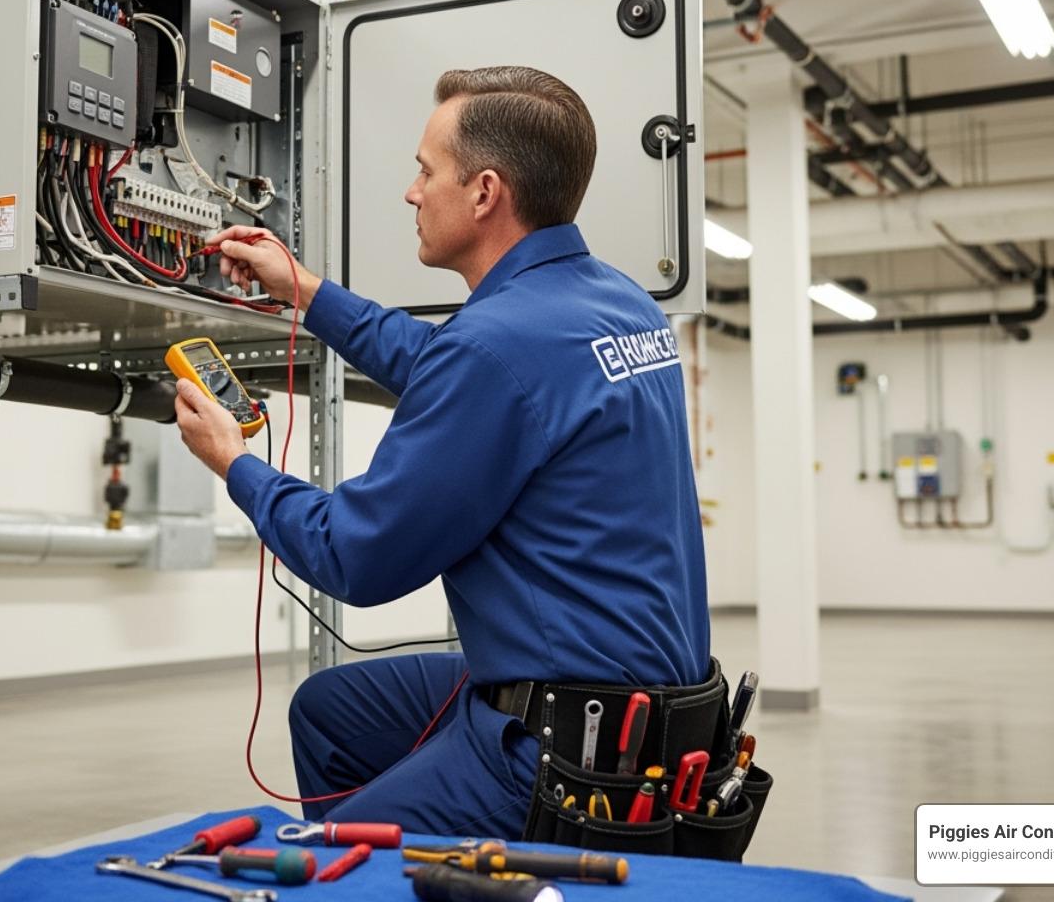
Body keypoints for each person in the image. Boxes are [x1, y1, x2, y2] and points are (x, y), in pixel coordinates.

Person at [175, 66, 709, 838]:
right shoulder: (616, 300)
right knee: (330, 713)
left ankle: (376, 875)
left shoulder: (496, 346)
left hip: (572, 755)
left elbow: (355, 557)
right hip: (659, 712)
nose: (412, 192)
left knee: (329, 864)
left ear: (486, 192)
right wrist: (303, 288)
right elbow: (447, 358)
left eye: (427, 171)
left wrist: (236, 464)